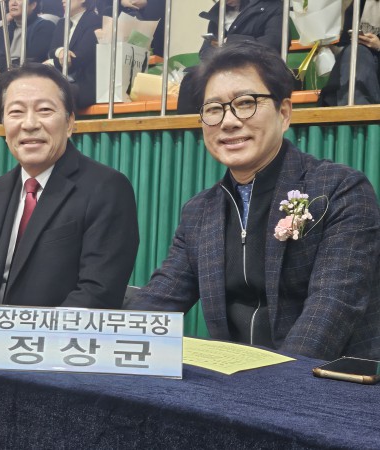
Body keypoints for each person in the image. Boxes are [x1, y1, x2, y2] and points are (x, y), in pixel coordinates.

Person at [126, 41, 380, 361]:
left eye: (246, 103)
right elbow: (160, 300)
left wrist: (271, 383)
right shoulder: (199, 211)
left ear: (284, 113)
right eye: (213, 109)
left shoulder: (339, 190)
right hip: (234, 380)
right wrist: (104, 344)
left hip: (322, 380)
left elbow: (331, 309)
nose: (228, 121)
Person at [0, 63, 139, 308]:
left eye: (44, 110)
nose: (29, 124)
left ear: (70, 123)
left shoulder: (107, 189)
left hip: (56, 332)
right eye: (16, 112)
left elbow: (97, 293)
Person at [177, 0, 283, 115]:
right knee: (191, 79)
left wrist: (230, 42)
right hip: (223, 68)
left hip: (256, 66)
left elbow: (274, 44)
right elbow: (205, 52)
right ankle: (192, 124)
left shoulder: (273, 6)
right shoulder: (218, 13)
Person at [318, 0, 380, 106]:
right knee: (355, 52)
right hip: (359, 63)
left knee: (358, 54)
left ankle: (354, 110)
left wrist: (378, 45)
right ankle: (356, 108)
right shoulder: (359, 4)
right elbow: (345, 43)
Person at [45, 0, 101, 109]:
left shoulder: (94, 20)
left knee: (55, 93)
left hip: (84, 83)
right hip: (63, 78)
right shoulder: (62, 23)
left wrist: (52, 63)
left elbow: (80, 58)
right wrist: (61, 51)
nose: (63, 1)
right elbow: (51, 51)